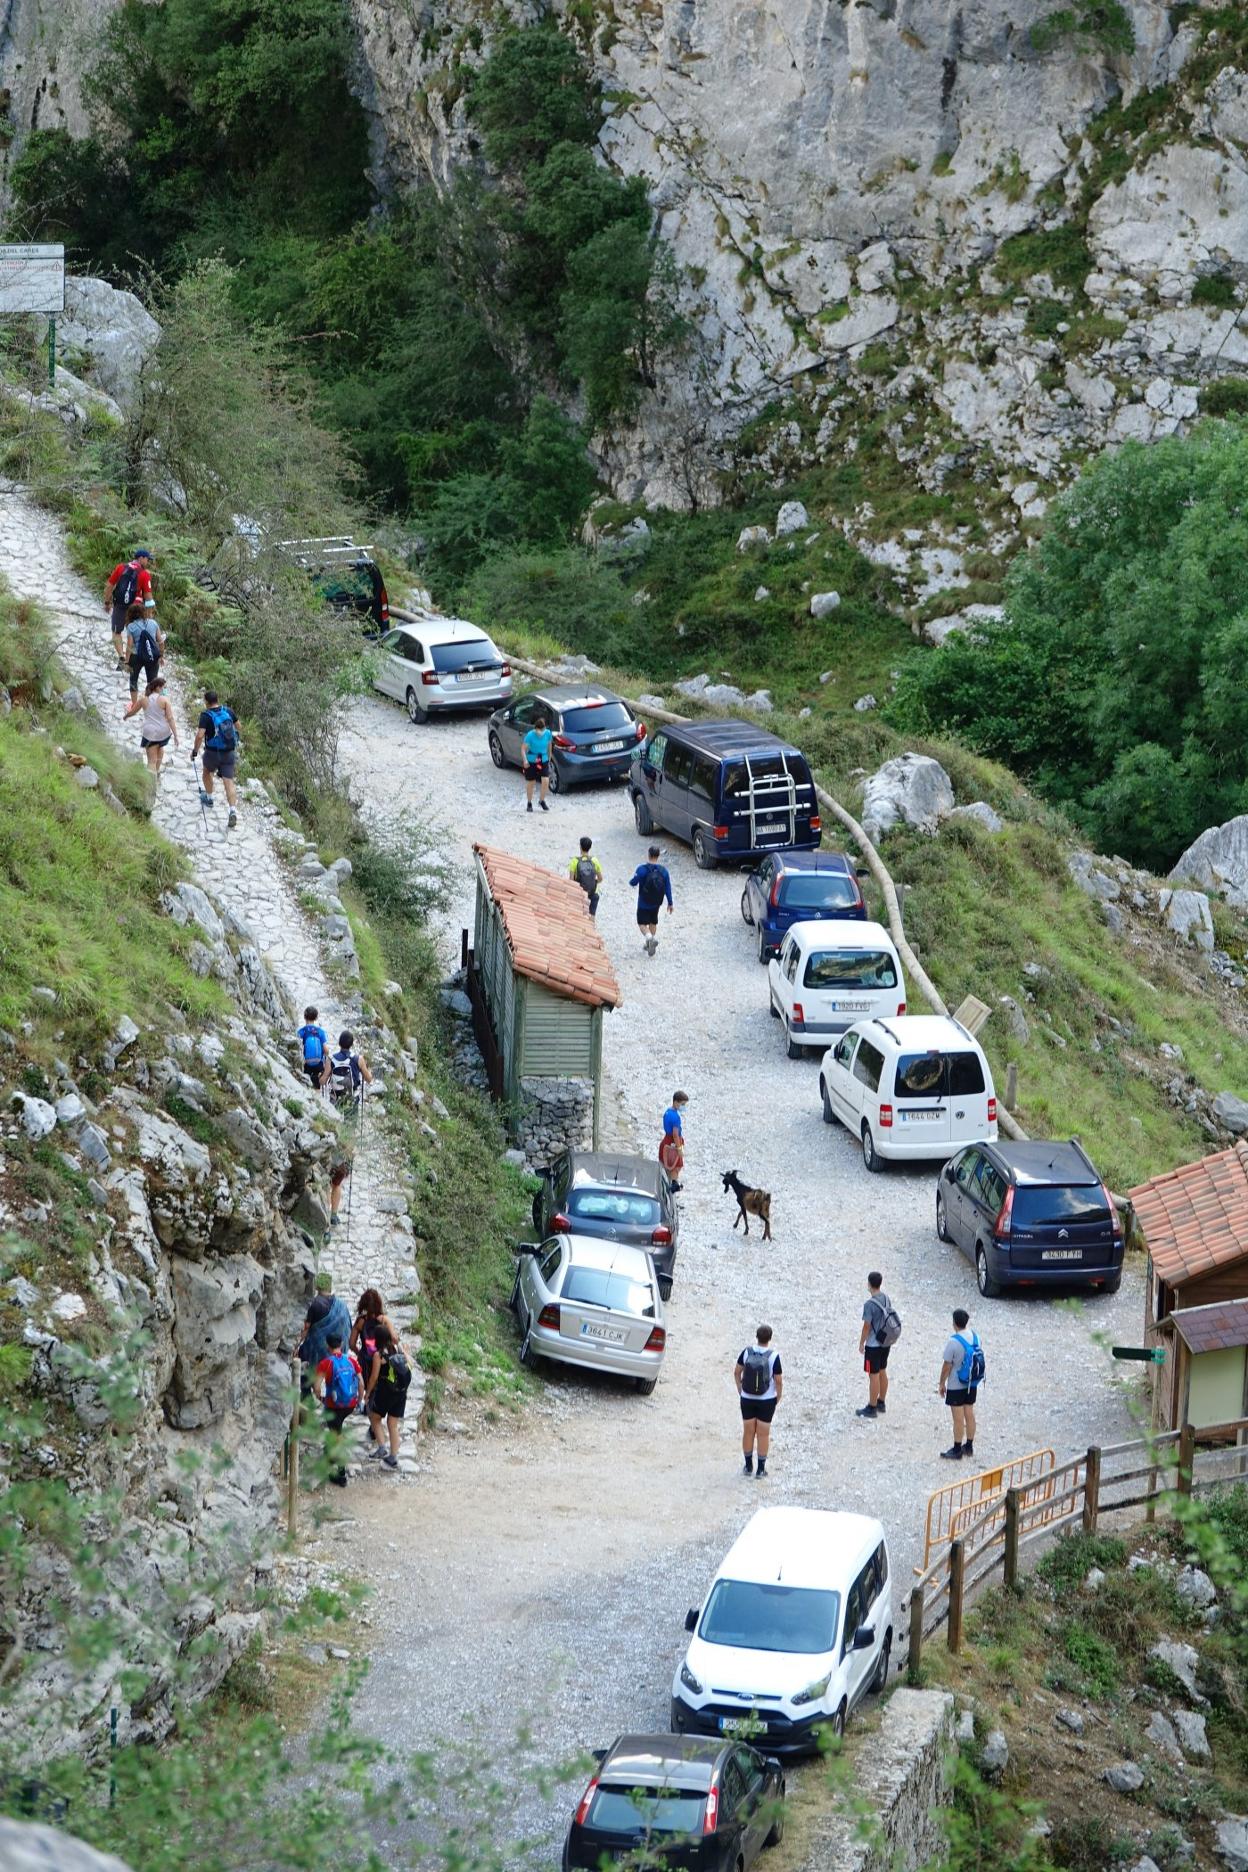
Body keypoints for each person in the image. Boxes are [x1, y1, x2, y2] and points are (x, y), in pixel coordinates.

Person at [325, 1032, 373, 1229]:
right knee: (350, 1133)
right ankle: (347, 1160)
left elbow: (322, 1081)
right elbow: (369, 1079)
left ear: (339, 1043)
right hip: (352, 1105)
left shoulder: (332, 1059)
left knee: (337, 1130)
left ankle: (335, 1154)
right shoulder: (357, 1059)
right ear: (351, 1044)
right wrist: (367, 1071)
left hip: (336, 1104)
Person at [313, 1330, 363, 1487]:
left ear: (327, 1346)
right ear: (341, 1344)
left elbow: (317, 1387)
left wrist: (320, 1398)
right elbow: (361, 1383)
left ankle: (340, 1474)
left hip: (334, 1406)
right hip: (350, 1404)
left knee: (336, 1434)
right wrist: (359, 1401)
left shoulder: (325, 1363)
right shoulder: (352, 1361)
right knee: (337, 1429)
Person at [734, 1324, 783, 1478]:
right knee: (763, 1434)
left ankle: (748, 1466)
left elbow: (736, 1372)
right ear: (770, 1338)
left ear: (756, 1336)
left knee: (748, 1432)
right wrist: (778, 1396)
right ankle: (761, 1469)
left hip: (747, 1398)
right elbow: (778, 1380)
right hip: (766, 1400)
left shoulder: (747, 1352)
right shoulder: (774, 1356)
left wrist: (740, 1390)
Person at [363, 1323, 411, 1471]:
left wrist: (368, 1393)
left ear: (377, 1338)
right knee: (393, 1424)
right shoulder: (397, 1349)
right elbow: (409, 1364)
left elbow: (374, 1377)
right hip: (401, 1392)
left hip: (386, 1392)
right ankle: (393, 1457)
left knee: (374, 1417)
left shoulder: (379, 1355)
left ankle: (382, 1447)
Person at [938, 1307, 982, 1461]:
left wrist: (941, 1383)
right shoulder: (975, 1337)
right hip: (972, 1383)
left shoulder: (954, 1341)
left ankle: (957, 1449)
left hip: (957, 1384)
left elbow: (947, 1366)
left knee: (958, 1418)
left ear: (954, 1323)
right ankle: (969, 1446)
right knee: (969, 1412)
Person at [191, 689, 240, 829]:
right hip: (229, 753)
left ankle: (209, 797)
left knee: (207, 772)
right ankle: (232, 811)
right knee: (228, 781)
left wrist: (195, 750)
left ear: (206, 702)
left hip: (212, 752)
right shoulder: (228, 711)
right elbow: (239, 726)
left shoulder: (206, 715)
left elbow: (200, 735)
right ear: (217, 699)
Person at [297, 1271, 352, 1393]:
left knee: (303, 1364)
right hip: (336, 1348)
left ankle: (307, 1396)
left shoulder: (314, 1304)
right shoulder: (341, 1305)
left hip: (317, 1350)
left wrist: (296, 1345)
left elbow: (306, 1328)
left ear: (317, 1286)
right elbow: (347, 1327)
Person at [104, 549, 153, 670]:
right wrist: (150, 613)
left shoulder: (121, 567)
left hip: (119, 604)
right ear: (141, 558)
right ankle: (128, 660)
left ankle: (121, 657)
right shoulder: (144, 574)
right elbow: (148, 597)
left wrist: (107, 602)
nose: (148, 562)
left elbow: (110, 585)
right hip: (135, 608)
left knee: (116, 632)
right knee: (133, 634)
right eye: (147, 559)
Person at [121, 674, 178, 775]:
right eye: (163, 687)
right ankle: (157, 772)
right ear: (157, 687)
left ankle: (151, 782)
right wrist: (176, 736)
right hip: (164, 732)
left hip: (150, 733)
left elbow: (133, 711)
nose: (164, 690)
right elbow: (170, 718)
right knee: (160, 748)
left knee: (151, 760)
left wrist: (126, 716)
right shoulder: (165, 700)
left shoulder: (143, 699)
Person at [857, 1270, 894, 1421]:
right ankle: (881, 1402)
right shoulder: (886, 1298)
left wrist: (861, 1343)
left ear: (869, 1284)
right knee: (882, 1371)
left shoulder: (869, 1305)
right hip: (885, 1342)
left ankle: (871, 1407)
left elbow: (866, 1326)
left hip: (873, 1345)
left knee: (873, 1376)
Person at [629, 844, 673, 957]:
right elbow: (668, 887)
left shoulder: (642, 869)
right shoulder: (663, 871)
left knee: (642, 923)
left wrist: (632, 881)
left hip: (643, 902)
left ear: (648, 855)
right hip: (656, 903)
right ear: (658, 856)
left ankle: (649, 938)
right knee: (653, 922)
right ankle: (650, 943)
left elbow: (633, 882)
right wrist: (670, 903)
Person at [124, 599, 164, 698]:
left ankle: (134, 704)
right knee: (152, 681)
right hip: (152, 656)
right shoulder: (153, 623)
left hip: (137, 656)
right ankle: (149, 702)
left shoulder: (131, 627)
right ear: (143, 612)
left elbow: (129, 646)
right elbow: (160, 641)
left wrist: (126, 661)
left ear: (130, 614)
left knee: (133, 679)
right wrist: (161, 656)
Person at [523, 713, 554, 812]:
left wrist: (549, 757)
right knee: (531, 782)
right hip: (531, 760)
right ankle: (529, 803)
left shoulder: (548, 733)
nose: (540, 733)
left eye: (542, 730)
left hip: (543, 759)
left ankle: (541, 800)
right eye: (538, 731)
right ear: (535, 728)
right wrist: (525, 760)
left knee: (545, 780)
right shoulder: (530, 735)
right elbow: (523, 749)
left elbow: (549, 745)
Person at [660, 1091, 688, 1192]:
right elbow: (675, 1135)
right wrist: (679, 1148)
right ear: (676, 1102)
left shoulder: (667, 1112)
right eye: (682, 1104)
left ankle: (668, 1186)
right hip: (673, 1144)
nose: (683, 1107)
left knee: (666, 1166)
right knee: (676, 1166)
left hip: (666, 1142)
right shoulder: (676, 1117)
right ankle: (673, 1186)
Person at [296, 1006, 329, 1092]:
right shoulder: (320, 1032)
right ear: (316, 1017)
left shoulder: (301, 1032)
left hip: (306, 1064)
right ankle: (317, 1100)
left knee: (305, 1084)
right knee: (316, 1085)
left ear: (304, 1017)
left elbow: (297, 1047)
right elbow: (326, 1050)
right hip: (318, 1064)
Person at [569, 836, 603, 916]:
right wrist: (593, 882)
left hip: (579, 892)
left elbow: (571, 881)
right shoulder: (595, 860)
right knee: (592, 915)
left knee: (580, 916)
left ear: (580, 847)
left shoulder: (574, 861)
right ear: (590, 848)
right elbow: (600, 879)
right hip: (593, 892)